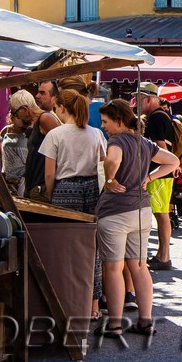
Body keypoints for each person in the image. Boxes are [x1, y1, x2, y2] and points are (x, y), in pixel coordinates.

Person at [96, 98, 181, 339]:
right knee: (140, 266)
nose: (104, 126)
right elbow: (173, 161)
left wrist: (110, 180)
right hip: (141, 211)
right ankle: (145, 321)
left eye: (106, 122)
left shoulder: (117, 140)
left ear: (119, 120)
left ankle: (114, 324)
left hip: (115, 211)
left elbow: (112, 159)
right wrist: (151, 178)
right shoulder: (143, 142)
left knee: (113, 267)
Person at [40, 90, 109, 317]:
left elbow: (50, 174)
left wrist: (51, 196)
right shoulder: (96, 133)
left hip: (65, 189)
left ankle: (66, 299)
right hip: (92, 190)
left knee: (63, 247)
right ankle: (93, 305)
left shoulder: (55, 135)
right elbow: (103, 165)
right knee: (91, 248)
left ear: (61, 108)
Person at [136, 82, 178, 271]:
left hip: (158, 174)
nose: (136, 101)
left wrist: (154, 173)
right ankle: (163, 255)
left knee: (161, 215)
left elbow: (162, 148)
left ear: (149, 99)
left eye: (139, 98)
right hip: (160, 173)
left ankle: (164, 257)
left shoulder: (156, 118)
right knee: (161, 214)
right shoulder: (161, 116)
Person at [23, 80, 63, 199]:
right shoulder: (45, 116)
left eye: (42, 93)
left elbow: (61, 151)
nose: (37, 96)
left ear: (54, 98)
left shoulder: (47, 118)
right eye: (38, 92)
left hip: (42, 186)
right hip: (36, 184)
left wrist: (49, 191)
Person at [0, 90, 39, 195]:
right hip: (7, 181)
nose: (27, 124)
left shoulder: (31, 133)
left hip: (22, 183)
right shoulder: (6, 131)